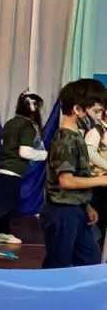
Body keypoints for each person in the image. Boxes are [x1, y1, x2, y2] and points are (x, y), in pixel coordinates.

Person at [41, 79, 107, 269]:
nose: (98, 117)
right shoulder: (65, 139)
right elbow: (66, 181)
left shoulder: (77, 137)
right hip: (61, 211)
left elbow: (79, 176)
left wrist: (87, 206)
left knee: (89, 259)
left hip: (76, 209)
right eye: (95, 112)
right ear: (77, 109)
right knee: (58, 264)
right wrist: (102, 179)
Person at [0, 92, 47, 247]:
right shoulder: (27, 126)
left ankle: (3, 231)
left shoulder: (11, 122)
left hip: (3, 168)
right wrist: (45, 155)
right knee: (4, 202)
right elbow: (25, 152)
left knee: (9, 202)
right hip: (13, 169)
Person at [83, 106, 107, 246]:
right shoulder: (97, 131)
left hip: (104, 183)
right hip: (95, 183)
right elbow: (89, 152)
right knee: (94, 222)